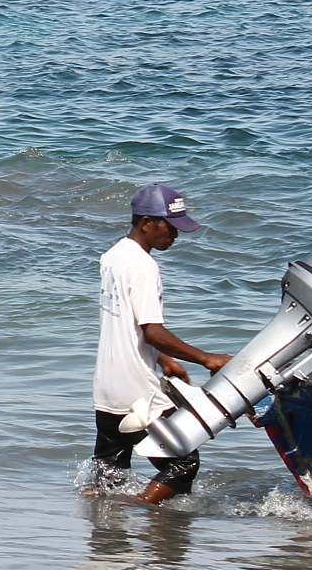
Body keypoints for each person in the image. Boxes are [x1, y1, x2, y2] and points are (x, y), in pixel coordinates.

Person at [90, 184, 231, 503]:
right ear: (145, 223)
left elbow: (128, 321)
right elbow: (151, 330)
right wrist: (205, 358)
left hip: (108, 385)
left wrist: (165, 357)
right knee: (183, 464)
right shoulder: (143, 266)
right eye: (170, 226)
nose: (176, 235)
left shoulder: (113, 256)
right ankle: (142, 511)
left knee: (111, 469)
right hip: (137, 389)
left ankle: (105, 535)